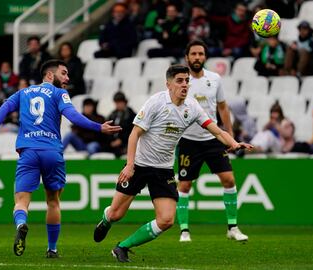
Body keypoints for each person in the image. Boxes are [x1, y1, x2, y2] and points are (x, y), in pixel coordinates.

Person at [93, 64, 253, 262]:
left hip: (164, 170)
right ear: (168, 84)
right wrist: (129, 165)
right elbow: (134, 134)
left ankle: (122, 247)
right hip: (140, 165)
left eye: (187, 81)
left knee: (167, 220)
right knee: (116, 214)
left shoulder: (192, 107)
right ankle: (106, 220)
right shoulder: (156, 103)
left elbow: (217, 131)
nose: (184, 84)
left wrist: (235, 143)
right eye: (179, 81)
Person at [0, 60, 121, 258]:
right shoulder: (59, 93)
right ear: (49, 75)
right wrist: (99, 127)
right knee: (53, 201)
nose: (67, 78)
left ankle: (21, 224)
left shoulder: (23, 93)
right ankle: (52, 249)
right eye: (63, 73)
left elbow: (3, 108)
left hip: (28, 151)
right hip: (52, 152)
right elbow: (72, 115)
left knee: (21, 201)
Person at [176, 39, 248, 243]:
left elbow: (223, 108)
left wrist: (230, 135)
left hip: (213, 138)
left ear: (205, 57)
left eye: (200, 54)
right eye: (194, 54)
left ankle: (232, 227)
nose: (197, 57)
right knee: (185, 185)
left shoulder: (215, 79)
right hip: (189, 141)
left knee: (229, 180)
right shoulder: (181, 81)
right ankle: (184, 230)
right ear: (187, 57)